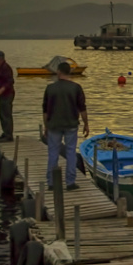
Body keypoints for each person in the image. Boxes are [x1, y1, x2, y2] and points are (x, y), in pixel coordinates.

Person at [43, 61, 90, 191]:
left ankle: (51, 183)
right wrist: (86, 124)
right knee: (70, 153)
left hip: (54, 125)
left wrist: (46, 126)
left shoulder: (50, 88)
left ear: (58, 72)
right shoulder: (76, 88)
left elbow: (45, 111)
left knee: (53, 153)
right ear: (69, 72)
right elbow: (82, 108)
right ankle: (70, 182)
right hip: (71, 125)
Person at [0, 50, 15, 141]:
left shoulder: (6, 67)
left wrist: (1, 90)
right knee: (2, 114)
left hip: (7, 94)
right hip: (2, 95)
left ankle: (9, 136)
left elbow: (10, 81)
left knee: (6, 114)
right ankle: (5, 132)